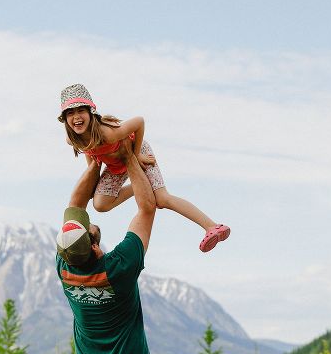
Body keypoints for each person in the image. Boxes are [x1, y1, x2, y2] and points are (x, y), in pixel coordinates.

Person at [55, 136, 157, 354]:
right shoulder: (122, 266)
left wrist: (95, 162)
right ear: (95, 244)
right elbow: (146, 209)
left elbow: (76, 201)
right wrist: (127, 155)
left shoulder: (65, 268)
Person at [58, 83, 230, 253]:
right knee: (100, 204)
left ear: (91, 113)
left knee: (162, 199)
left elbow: (139, 122)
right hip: (115, 164)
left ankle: (212, 226)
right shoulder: (73, 138)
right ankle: (140, 188)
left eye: (81, 111)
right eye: (70, 113)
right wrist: (94, 180)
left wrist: (136, 154)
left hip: (135, 152)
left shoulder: (108, 133)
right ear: (65, 119)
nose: (76, 117)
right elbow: (91, 151)